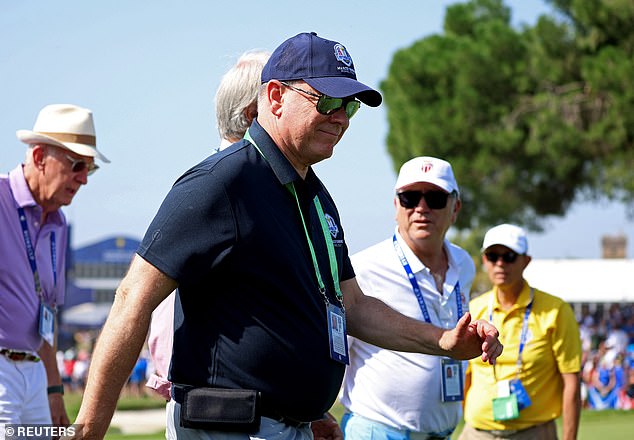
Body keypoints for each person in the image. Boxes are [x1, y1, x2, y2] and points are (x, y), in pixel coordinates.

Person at [71, 32, 502, 440]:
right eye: (327, 100)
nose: (340, 118)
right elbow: (134, 297)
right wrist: (89, 429)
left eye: (349, 106)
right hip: (230, 426)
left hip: (287, 427)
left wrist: (444, 341)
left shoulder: (314, 195)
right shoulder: (221, 183)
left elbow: (352, 306)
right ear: (275, 97)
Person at [145, 49, 272, 402]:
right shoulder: (216, 187)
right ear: (253, 115)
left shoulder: (251, 188)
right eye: (279, 98)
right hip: (215, 406)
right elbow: (139, 298)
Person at [340, 157, 475, 440]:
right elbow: (334, 350)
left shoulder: (464, 264)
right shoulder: (363, 268)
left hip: (441, 433)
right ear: (396, 206)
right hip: (376, 431)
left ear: (455, 208)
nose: (421, 208)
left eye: (435, 198)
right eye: (410, 197)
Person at [0, 104, 108, 427]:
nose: (83, 179)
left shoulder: (58, 224)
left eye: (89, 169)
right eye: (77, 165)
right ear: (38, 158)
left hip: (34, 375)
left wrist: (54, 389)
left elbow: (46, 315)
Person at [460, 224, 582, 440]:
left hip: (534, 433)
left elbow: (571, 382)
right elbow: (465, 376)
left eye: (509, 256)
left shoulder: (556, 311)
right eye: (492, 255)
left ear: (526, 261)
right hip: (476, 433)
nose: (500, 263)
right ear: (484, 260)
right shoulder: (474, 309)